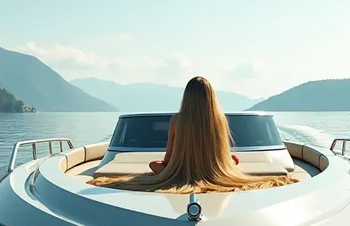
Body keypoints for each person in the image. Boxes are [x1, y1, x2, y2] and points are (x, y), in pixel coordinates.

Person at [89, 76, 298, 193]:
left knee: (154, 165)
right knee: (233, 160)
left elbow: (168, 159)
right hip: (214, 170)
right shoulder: (219, 121)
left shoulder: (177, 120)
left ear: (186, 97)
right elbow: (223, 154)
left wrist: (166, 166)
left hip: (180, 171)